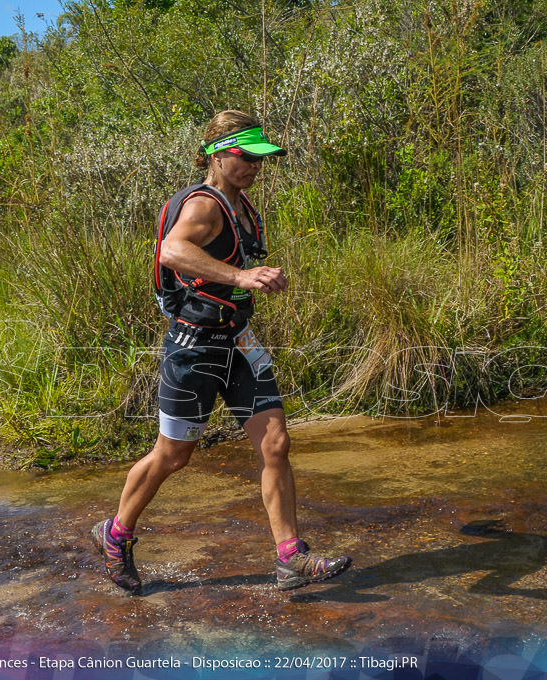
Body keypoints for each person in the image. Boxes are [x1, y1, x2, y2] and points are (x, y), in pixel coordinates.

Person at [92, 110, 351, 594]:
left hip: (237, 341)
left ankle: (290, 558)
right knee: (173, 457)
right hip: (193, 348)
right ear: (216, 154)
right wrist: (241, 277)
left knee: (275, 443)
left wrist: (254, 280)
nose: (255, 165)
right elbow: (172, 250)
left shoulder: (241, 205)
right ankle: (116, 533)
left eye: (260, 157)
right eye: (245, 155)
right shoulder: (205, 206)